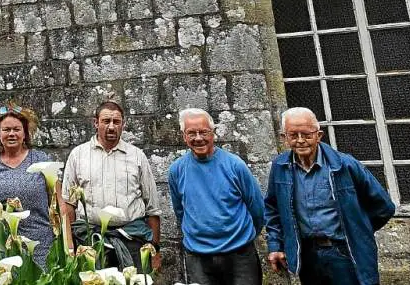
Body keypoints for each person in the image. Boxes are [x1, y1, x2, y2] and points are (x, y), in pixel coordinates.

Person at [265, 107, 395, 285]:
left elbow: (384, 207)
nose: (300, 141)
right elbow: (272, 209)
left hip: (344, 253)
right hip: (307, 256)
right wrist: (275, 245)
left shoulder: (344, 165)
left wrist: (358, 229)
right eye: (293, 135)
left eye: (307, 134)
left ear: (318, 135)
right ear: (284, 138)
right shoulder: (280, 167)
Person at [61, 99, 162, 272]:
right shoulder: (78, 155)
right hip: (91, 242)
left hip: (132, 240)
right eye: (106, 121)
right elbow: (68, 204)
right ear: (96, 123)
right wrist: (70, 246)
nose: (111, 127)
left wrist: (155, 249)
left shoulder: (137, 156)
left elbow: (152, 208)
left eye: (116, 122)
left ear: (123, 124)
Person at [168, 108, 264, 285]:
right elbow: (180, 211)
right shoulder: (176, 170)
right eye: (191, 133)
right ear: (184, 137)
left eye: (203, 132)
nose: (198, 138)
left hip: (240, 255)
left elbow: (257, 208)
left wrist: (242, 238)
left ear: (213, 133)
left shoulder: (235, 165)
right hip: (198, 257)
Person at [0, 106, 54, 266]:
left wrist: (69, 244)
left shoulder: (41, 160)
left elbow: (58, 204)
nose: (11, 134)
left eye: (17, 129)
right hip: (2, 246)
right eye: (6, 130)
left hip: (40, 244)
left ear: (25, 134)